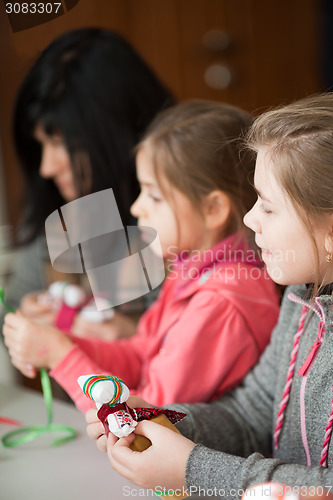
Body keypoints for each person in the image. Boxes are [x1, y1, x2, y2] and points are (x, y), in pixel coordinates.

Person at [85, 93, 333, 497]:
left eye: (268, 208)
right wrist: (160, 418)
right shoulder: (301, 299)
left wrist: (191, 469)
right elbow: (251, 411)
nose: (249, 218)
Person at [3, 100, 280, 413]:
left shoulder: (221, 303)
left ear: (213, 209)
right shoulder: (191, 273)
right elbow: (139, 355)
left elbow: (148, 418)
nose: (136, 208)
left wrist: (61, 358)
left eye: (155, 195)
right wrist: (60, 343)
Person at [1, 27, 174, 339]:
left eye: (61, 143)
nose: (46, 168)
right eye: (40, 145)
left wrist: (135, 340)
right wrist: (22, 318)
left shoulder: (184, 224)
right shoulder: (60, 217)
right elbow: (9, 313)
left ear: (116, 132)